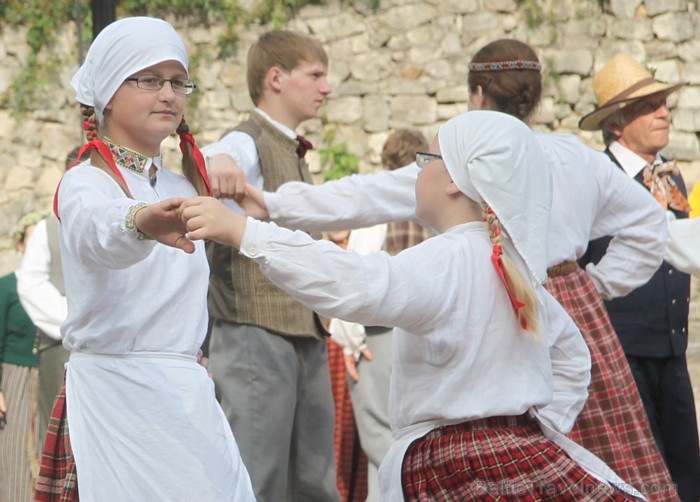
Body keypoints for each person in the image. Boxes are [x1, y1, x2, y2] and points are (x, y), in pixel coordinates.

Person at [238, 39, 675, 500]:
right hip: (562, 302)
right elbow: (649, 222)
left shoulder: (461, 164)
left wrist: (268, 205)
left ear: (479, 95)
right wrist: (594, 286)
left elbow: (362, 207)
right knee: (571, 459)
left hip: (513, 317)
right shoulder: (574, 157)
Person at [33, 17, 254, 501]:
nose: (169, 94)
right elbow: (96, 230)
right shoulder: (85, 181)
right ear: (108, 94)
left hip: (185, 398)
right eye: (149, 79)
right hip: (113, 397)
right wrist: (141, 221)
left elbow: (247, 154)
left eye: (178, 82)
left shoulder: (181, 186)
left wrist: (230, 155)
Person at [201, 29, 338, 502]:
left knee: (315, 485)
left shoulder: (287, 145)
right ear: (275, 77)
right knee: (255, 480)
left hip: (303, 333)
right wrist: (217, 157)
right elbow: (216, 156)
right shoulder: (246, 140)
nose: (327, 87)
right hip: (253, 334)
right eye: (315, 75)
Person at [578, 53, 700, 502]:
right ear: (616, 123)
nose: (664, 113)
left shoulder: (671, 176)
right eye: (649, 107)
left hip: (672, 349)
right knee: (632, 476)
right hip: (618, 355)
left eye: (664, 103)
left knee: (686, 472)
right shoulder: (595, 179)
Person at [328, 128, 432, 502]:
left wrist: (350, 342)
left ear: (388, 166)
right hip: (427, 337)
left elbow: (355, 277)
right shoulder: (436, 209)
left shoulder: (380, 213)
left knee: (382, 445)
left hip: (380, 339)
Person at [17, 146, 79, 471]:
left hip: (119, 347)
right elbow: (31, 284)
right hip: (61, 346)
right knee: (59, 442)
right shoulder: (48, 229)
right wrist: (74, 321)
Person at [0, 211, 43, 502]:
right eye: (32, 239)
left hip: (49, 374)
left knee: (45, 448)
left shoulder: (53, 286)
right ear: (20, 246)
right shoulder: (6, 286)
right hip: (14, 376)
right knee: (13, 450)